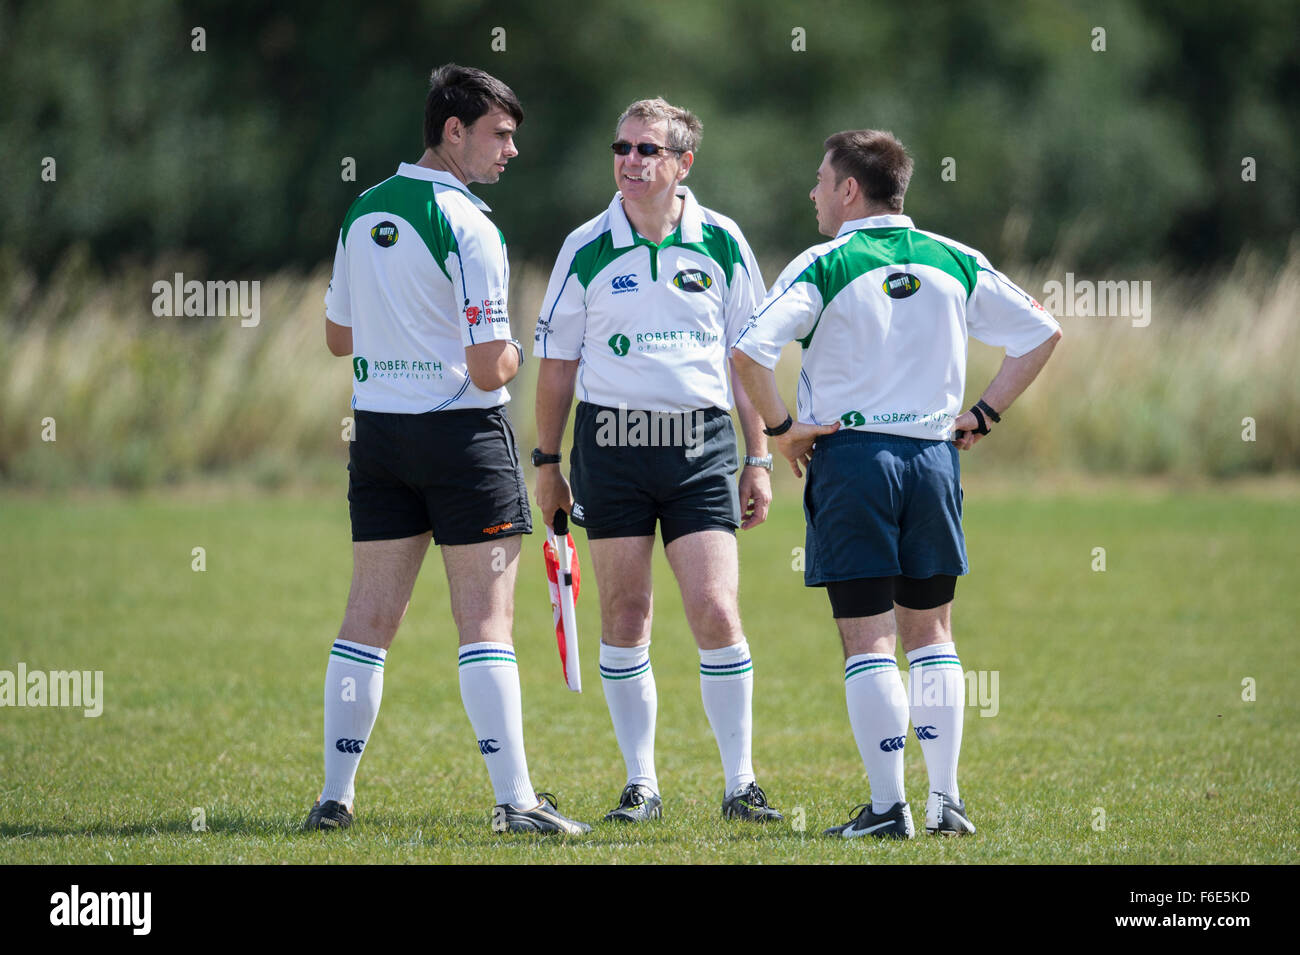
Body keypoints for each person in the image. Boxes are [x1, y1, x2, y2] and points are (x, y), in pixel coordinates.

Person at [731, 129, 1061, 839]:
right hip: (934, 459)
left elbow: (749, 349)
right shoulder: (954, 257)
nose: (814, 193)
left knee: (868, 639)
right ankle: (945, 801)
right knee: (933, 632)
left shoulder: (825, 260)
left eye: (822, 181)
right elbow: (1042, 332)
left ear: (850, 190)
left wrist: (784, 426)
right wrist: (985, 412)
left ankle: (888, 808)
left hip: (854, 463)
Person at [310, 64, 589, 835]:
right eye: (500, 135)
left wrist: (402, 340)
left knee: (366, 619)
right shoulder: (469, 222)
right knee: (487, 626)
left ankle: (334, 798)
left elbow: (338, 337)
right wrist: (521, 355)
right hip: (462, 439)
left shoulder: (363, 209)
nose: (511, 152)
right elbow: (486, 363)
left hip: (380, 435)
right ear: (453, 131)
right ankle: (517, 804)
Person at [532, 98, 782, 824]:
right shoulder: (585, 246)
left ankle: (741, 783)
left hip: (701, 446)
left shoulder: (724, 242)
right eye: (622, 147)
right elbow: (555, 366)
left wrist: (758, 456)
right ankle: (641, 782)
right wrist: (547, 461)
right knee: (626, 609)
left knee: (714, 605)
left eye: (648, 150)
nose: (631, 161)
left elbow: (748, 362)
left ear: (682, 164)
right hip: (610, 445)